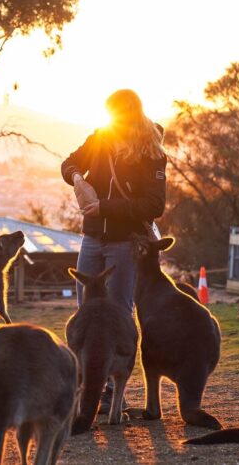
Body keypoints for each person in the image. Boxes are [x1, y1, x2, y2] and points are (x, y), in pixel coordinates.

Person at [61, 89, 166, 411]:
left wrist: (104, 207)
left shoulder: (151, 152)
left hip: (125, 241)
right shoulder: (100, 139)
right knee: (86, 311)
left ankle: (112, 390)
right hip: (92, 237)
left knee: (119, 311)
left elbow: (154, 205)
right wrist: (78, 177)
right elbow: (68, 162)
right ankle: (87, 383)